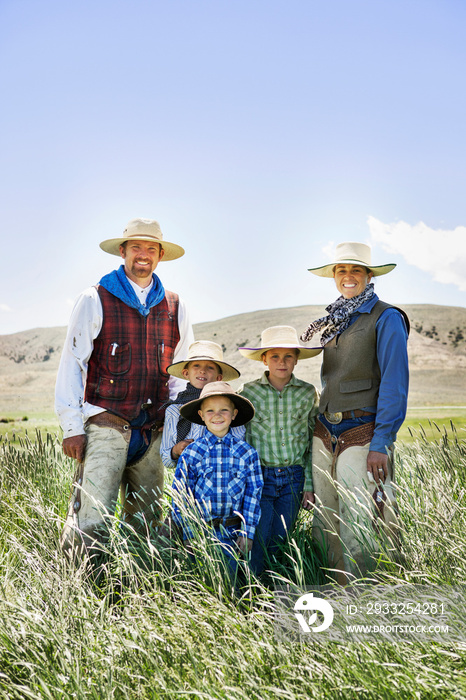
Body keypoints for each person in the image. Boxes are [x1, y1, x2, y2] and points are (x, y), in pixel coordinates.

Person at [56, 217, 193, 555]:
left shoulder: (175, 305)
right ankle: (82, 593)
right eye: (136, 247)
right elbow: (72, 364)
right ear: (123, 251)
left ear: (160, 255)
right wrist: (72, 426)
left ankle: (139, 593)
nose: (143, 255)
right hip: (106, 426)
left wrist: (178, 429)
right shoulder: (94, 298)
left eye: (151, 248)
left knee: (146, 523)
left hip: (153, 433)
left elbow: (181, 374)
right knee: (92, 519)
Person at [300, 241, 409, 581]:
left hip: (363, 431)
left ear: (368, 275)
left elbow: (395, 383)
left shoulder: (387, 317)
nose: (348, 276)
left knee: (362, 515)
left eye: (356, 270)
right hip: (324, 430)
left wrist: (381, 442)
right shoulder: (334, 320)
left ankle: (364, 592)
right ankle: (329, 588)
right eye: (341, 270)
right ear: (334, 276)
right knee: (325, 516)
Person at [237, 326, 321, 577]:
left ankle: (276, 595)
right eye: (275, 356)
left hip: (294, 479)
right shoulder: (248, 392)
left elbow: (311, 441)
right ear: (264, 359)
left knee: (280, 542)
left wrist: (309, 483)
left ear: (296, 359)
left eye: (288, 356)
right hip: (260, 478)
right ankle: (253, 597)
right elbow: (241, 439)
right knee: (257, 540)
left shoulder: (308, 393)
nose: (281, 362)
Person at [171, 381, 263, 577]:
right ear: (201, 416)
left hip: (233, 533)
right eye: (210, 411)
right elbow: (181, 494)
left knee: (231, 586)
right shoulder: (192, 453)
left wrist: (247, 532)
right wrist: (188, 534)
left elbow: (252, 495)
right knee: (202, 586)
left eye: (224, 410)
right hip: (200, 533)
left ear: (234, 414)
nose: (217, 415)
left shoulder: (247, 453)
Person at [160, 340, 241, 470]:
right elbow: (166, 459)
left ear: (219, 378)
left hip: (224, 475)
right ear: (186, 373)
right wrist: (175, 450)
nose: (202, 371)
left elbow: (240, 443)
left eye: (210, 367)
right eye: (196, 365)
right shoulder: (174, 410)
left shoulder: (228, 408)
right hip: (189, 478)